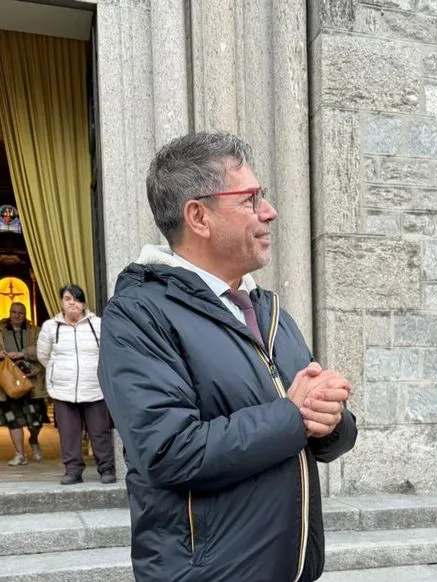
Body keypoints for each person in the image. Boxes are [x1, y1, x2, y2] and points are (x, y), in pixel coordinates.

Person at [98, 131, 357, 582]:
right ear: (198, 216)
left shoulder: (267, 308)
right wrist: (293, 415)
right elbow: (169, 450)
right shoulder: (139, 314)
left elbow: (314, 428)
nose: (269, 212)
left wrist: (331, 419)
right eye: (251, 199)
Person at [37, 284, 115, 485]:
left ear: (83, 303)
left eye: (76, 299)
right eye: (67, 299)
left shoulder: (97, 324)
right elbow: (43, 356)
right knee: (69, 434)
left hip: (94, 387)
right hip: (63, 390)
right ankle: (73, 471)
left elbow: (108, 352)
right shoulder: (50, 327)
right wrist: (59, 372)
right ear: (61, 303)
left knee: (100, 431)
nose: (72, 303)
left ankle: (106, 469)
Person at [0, 302, 49, 465]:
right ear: (9, 313)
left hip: (31, 380)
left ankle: (33, 440)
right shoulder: (0, 331)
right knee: (13, 419)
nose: (17, 315)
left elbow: (42, 349)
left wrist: (22, 353)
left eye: (20, 313)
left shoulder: (34, 331)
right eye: (14, 312)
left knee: (36, 421)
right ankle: (20, 454)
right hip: (8, 381)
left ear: (25, 314)